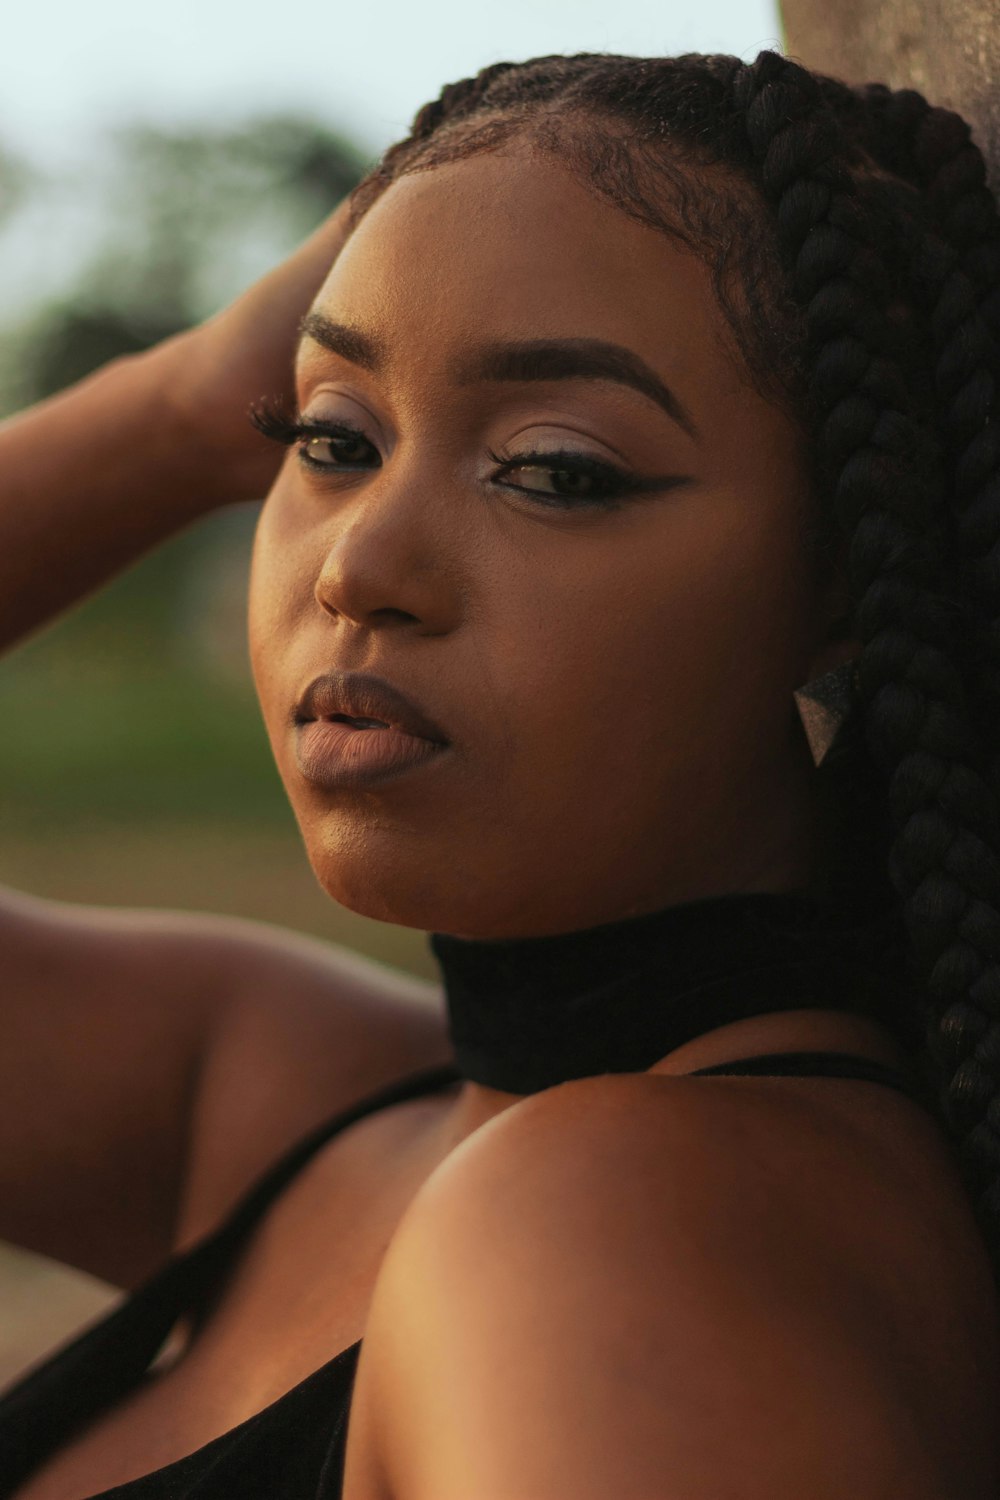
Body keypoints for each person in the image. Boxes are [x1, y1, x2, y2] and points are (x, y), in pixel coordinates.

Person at [1, 45, 998, 1500]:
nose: (359, 565)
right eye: (328, 439)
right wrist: (186, 403)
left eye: (553, 468)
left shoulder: (625, 1229)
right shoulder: (285, 1104)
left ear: (852, 579)